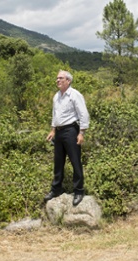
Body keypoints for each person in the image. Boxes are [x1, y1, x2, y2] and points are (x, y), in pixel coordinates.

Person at [45, 70, 89, 206]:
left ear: (68, 81)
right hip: (59, 132)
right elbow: (55, 114)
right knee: (58, 162)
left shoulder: (75, 95)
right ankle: (56, 189)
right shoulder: (56, 96)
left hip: (71, 130)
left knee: (75, 161)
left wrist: (81, 133)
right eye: (57, 78)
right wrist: (53, 130)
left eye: (60, 78)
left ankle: (79, 191)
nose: (57, 80)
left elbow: (84, 114)